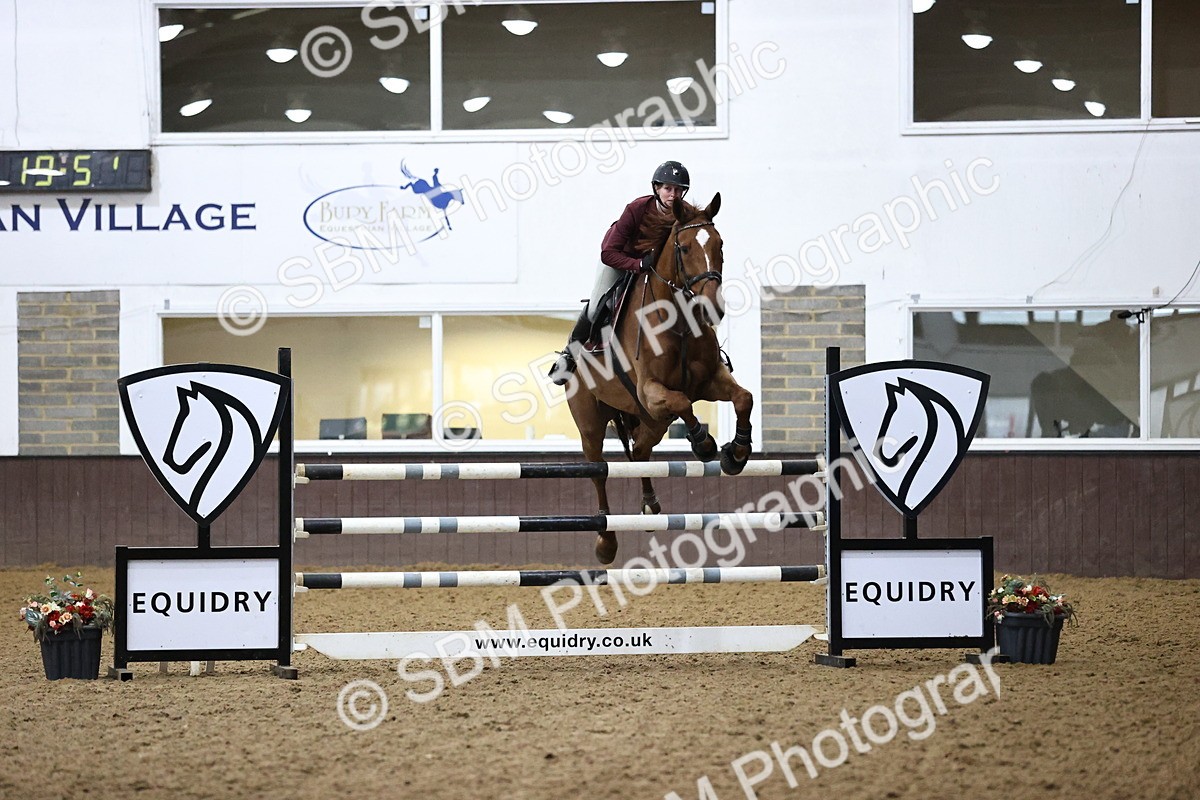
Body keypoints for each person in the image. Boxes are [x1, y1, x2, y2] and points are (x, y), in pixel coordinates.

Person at [547, 160, 691, 385]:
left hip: (654, 269)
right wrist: (638, 265)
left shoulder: (685, 214)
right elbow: (608, 253)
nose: (673, 194)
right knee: (596, 306)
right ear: (656, 188)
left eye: (678, 190)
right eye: (668, 189)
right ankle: (569, 355)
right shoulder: (637, 209)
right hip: (619, 260)